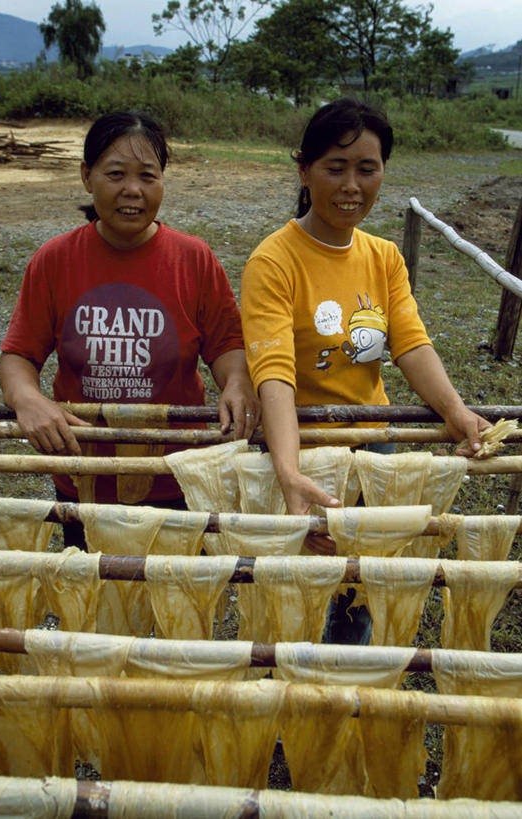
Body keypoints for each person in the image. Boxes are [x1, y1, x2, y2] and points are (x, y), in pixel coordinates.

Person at [240, 97, 490, 641]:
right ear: (304, 169)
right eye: (336, 167)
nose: (352, 185)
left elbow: (411, 344)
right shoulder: (273, 260)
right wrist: (289, 471)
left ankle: (343, 695)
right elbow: (274, 371)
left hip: (374, 446)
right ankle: (284, 707)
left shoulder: (384, 257)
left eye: (367, 169)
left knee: (357, 585)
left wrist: (455, 410)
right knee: (295, 587)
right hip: (298, 442)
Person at [0, 110, 259, 536]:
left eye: (148, 176)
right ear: (87, 176)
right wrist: (27, 398)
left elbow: (227, 346)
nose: (132, 190)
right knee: (91, 592)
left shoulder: (193, 258)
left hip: (175, 468)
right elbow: (18, 355)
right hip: (84, 471)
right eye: (116, 174)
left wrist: (235, 382)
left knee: (170, 595)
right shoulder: (54, 260)